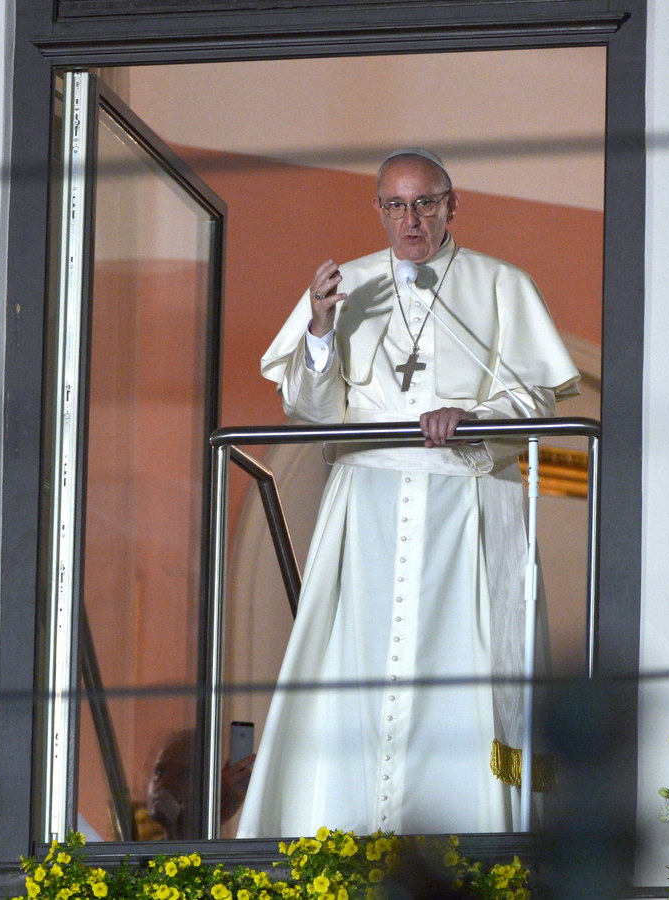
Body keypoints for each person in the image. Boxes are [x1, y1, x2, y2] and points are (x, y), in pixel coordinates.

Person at [236, 149, 579, 838]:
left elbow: (536, 401)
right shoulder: (346, 285)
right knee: (355, 671)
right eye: (395, 204)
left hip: (465, 511)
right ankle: (340, 835)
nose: (410, 218)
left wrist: (472, 418)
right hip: (367, 511)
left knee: (460, 674)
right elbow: (309, 409)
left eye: (425, 202)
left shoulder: (500, 284)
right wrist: (321, 330)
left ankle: (473, 844)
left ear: (453, 205)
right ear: (379, 210)